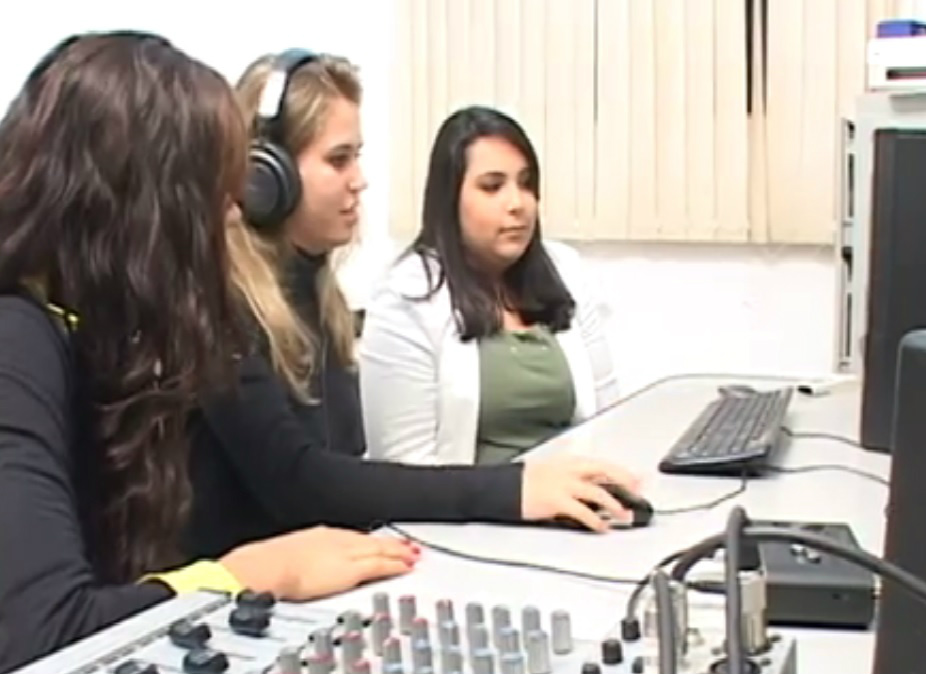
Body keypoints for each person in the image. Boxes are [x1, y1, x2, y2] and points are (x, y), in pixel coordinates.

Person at [0, 33, 423, 674]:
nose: (233, 217)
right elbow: (47, 639)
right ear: (140, 203)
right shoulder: (16, 340)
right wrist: (243, 575)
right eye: (212, 192)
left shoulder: (95, 334)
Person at [182, 51, 641, 563]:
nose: (360, 179)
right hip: (237, 603)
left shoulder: (315, 292)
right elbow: (298, 481)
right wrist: (512, 491)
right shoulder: (219, 303)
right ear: (264, 175)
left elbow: (347, 471)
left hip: (322, 575)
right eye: (339, 160)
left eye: (358, 156)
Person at [359, 105, 619, 465]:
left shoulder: (565, 271)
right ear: (450, 201)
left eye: (526, 184)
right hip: (465, 516)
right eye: (492, 187)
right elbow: (403, 472)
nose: (517, 204)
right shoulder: (406, 297)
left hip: (573, 507)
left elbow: (608, 422)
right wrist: (520, 499)